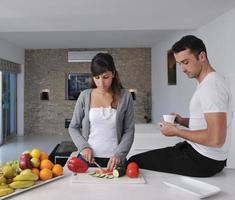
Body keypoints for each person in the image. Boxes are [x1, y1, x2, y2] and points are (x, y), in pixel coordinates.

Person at [128, 35, 233, 177]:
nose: (182, 69)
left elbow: (216, 139)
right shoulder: (210, 82)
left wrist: (176, 132)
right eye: (179, 64)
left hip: (202, 160)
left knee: (134, 161)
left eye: (185, 62)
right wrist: (181, 121)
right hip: (205, 156)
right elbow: (208, 123)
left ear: (202, 56)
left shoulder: (211, 87)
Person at [68, 53, 135, 171]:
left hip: (115, 161)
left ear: (113, 74)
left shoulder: (125, 96)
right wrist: (83, 147)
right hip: (87, 159)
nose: (101, 83)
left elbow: (129, 129)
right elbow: (73, 126)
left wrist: (119, 154)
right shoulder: (84, 96)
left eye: (105, 77)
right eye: (97, 78)